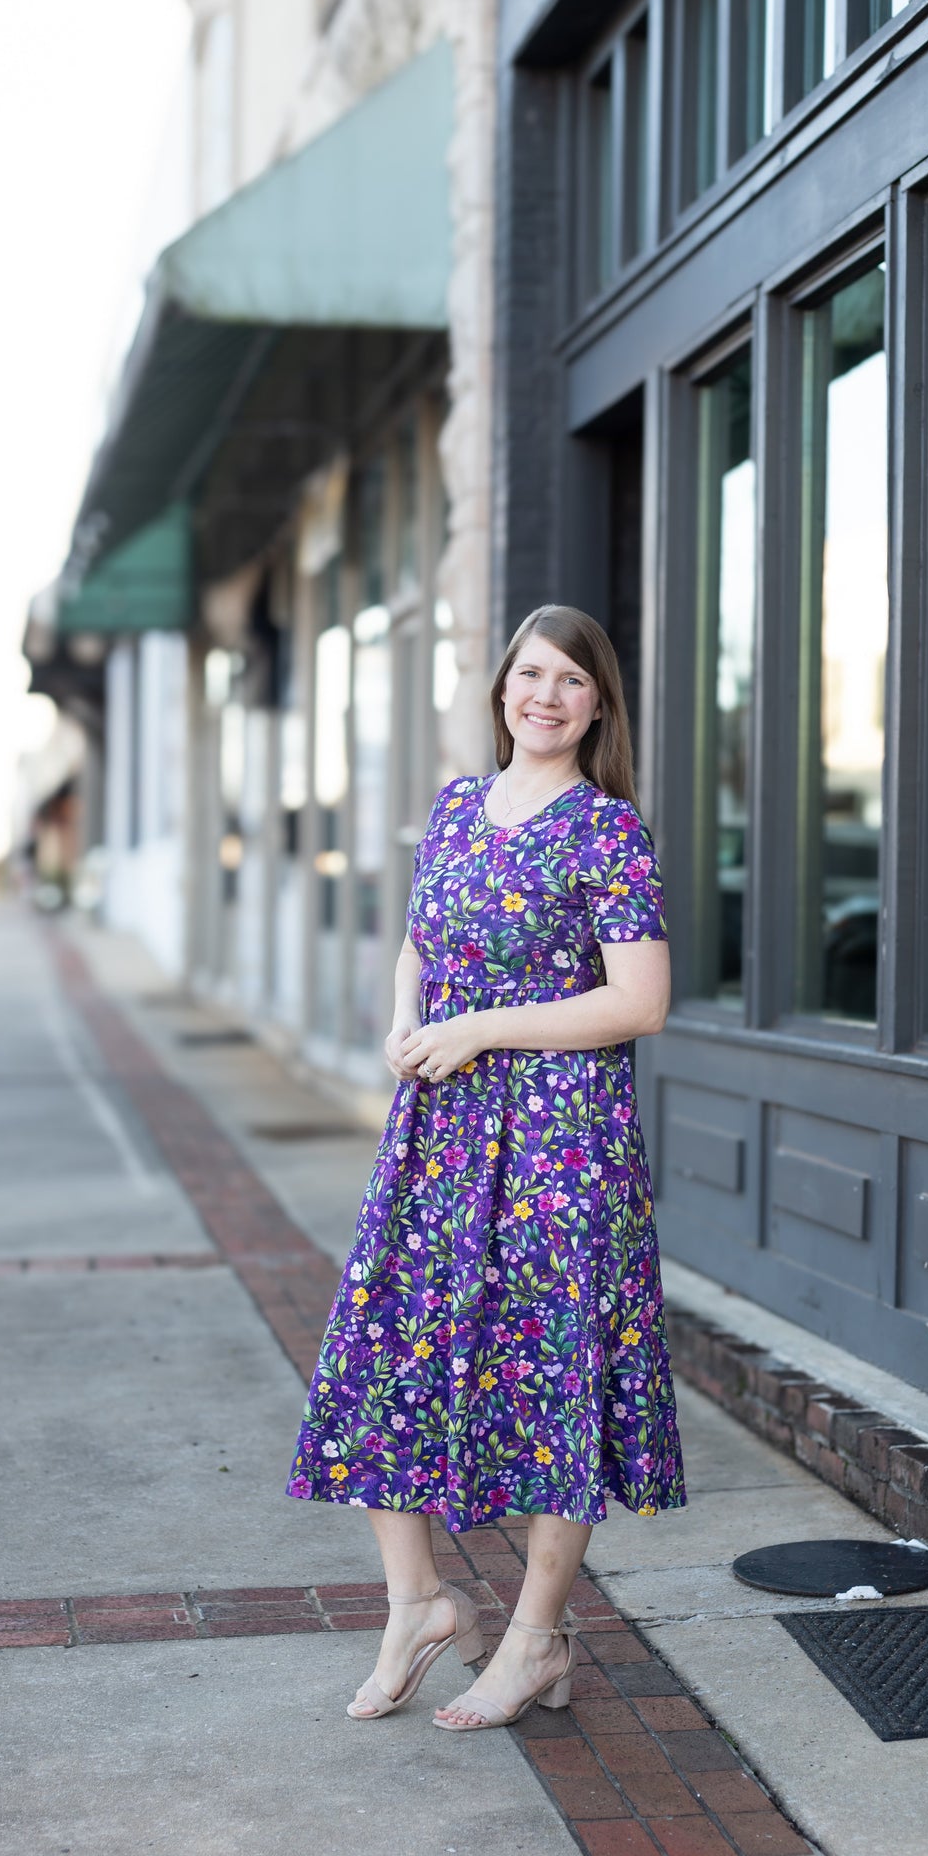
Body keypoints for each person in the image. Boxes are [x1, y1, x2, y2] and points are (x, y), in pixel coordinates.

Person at [287, 604, 685, 1729]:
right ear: (503, 687)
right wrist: (406, 1018)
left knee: (559, 1373)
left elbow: (641, 1002)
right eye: (531, 675)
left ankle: (535, 1639)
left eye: (571, 681)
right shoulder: (458, 805)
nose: (546, 696)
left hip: (563, 1141)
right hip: (443, 1128)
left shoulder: (606, 828)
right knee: (384, 1350)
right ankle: (418, 1601)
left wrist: (481, 1028)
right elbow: (420, 941)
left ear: (598, 706)